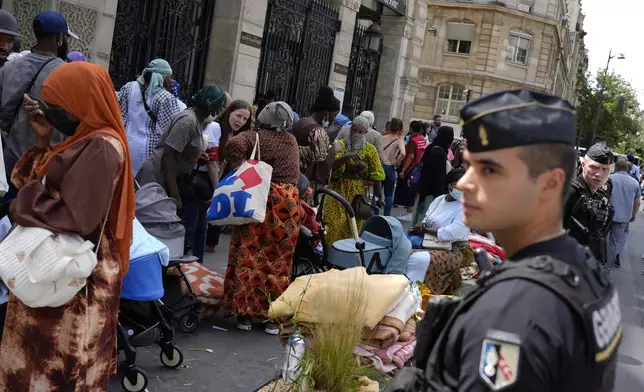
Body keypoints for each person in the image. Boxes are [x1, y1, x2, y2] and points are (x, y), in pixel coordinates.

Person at [387, 89, 620, 392]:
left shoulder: (512, 310)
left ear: (549, 184)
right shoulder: (586, 272)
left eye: (489, 170)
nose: (466, 183)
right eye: (469, 164)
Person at [0, 62, 135, 391]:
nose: (53, 111)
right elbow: (27, 180)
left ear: (82, 101)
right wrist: (44, 141)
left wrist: (22, 206)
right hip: (55, 267)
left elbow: (77, 218)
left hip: (74, 278)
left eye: (58, 104)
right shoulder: (82, 139)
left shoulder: (102, 147)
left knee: (60, 371)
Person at [223, 101, 300, 334]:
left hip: (260, 199)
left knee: (250, 256)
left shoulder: (254, 137)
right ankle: (272, 318)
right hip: (288, 204)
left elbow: (232, 146)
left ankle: (245, 315)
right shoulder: (291, 140)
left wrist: (243, 166)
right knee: (278, 260)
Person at [136, 84, 227, 261]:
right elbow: (169, 156)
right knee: (152, 227)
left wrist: (196, 156)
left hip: (168, 178)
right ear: (212, 106)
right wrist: (175, 193)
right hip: (158, 177)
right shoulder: (188, 121)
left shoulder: (196, 121)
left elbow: (183, 149)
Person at [0, 11, 75, 201]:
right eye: (66, 37)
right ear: (59, 38)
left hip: (9, 164)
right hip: (45, 167)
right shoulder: (68, 74)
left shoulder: (8, 68)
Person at [406, 169, 474, 294]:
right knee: (402, 250)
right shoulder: (440, 199)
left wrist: (426, 229)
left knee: (418, 259)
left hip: (453, 249)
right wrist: (421, 224)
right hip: (430, 242)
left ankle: (415, 294)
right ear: (449, 185)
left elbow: (452, 233)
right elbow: (428, 218)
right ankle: (405, 290)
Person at [324, 115, 385, 245]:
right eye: (354, 130)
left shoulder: (370, 150)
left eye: (360, 132)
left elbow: (376, 174)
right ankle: (329, 257)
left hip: (357, 195)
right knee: (334, 224)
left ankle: (345, 259)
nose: (356, 134)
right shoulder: (340, 145)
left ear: (365, 133)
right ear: (349, 129)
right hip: (337, 191)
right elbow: (331, 166)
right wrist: (346, 157)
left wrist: (380, 196)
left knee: (353, 227)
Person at [117, 58, 182, 174]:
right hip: (148, 153)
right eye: (169, 77)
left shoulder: (129, 87)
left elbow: (120, 117)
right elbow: (168, 132)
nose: (170, 81)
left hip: (124, 146)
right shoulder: (165, 97)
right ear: (163, 77)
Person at [204, 99, 253, 253]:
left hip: (216, 179)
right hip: (205, 179)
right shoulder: (215, 128)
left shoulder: (234, 133)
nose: (240, 121)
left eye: (245, 119)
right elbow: (212, 163)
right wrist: (216, 188)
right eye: (238, 116)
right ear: (229, 112)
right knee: (196, 224)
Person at [563, 142, 614, 265]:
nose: (599, 174)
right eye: (594, 167)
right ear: (583, 165)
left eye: (605, 169)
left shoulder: (600, 194)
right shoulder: (569, 192)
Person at [292, 86, 341, 202]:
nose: (334, 119)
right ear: (326, 113)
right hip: (308, 184)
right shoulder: (318, 131)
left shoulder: (301, 121)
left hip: (295, 177)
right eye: (334, 115)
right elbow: (321, 160)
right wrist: (334, 148)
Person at [411, 126, 455, 225]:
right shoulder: (439, 153)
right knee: (426, 221)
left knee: (421, 219)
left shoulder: (433, 148)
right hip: (432, 195)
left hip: (426, 192)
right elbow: (435, 178)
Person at [607, 157, 640, 268]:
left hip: (607, 214)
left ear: (615, 167)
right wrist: (633, 214)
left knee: (602, 238)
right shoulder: (635, 182)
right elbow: (637, 202)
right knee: (614, 241)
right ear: (627, 169)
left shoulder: (609, 178)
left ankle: (601, 261)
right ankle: (609, 265)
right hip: (623, 217)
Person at [396, 121, 427, 221]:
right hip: (418, 167)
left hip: (411, 168)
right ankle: (409, 212)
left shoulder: (413, 140)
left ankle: (409, 212)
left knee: (409, 190)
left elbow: (410, 156)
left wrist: (403, 170)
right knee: (413, 190)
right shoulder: (422, 139)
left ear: (411, 128)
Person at [381, 118, 406, 216]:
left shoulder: (382, 137)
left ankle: (374, 213)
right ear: (400, 128)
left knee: (377, 193)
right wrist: (395, 161)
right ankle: (386, 216)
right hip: (389, 167)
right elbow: (403, 153)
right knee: (389, 194)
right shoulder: (399, 141)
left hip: (380, 165)